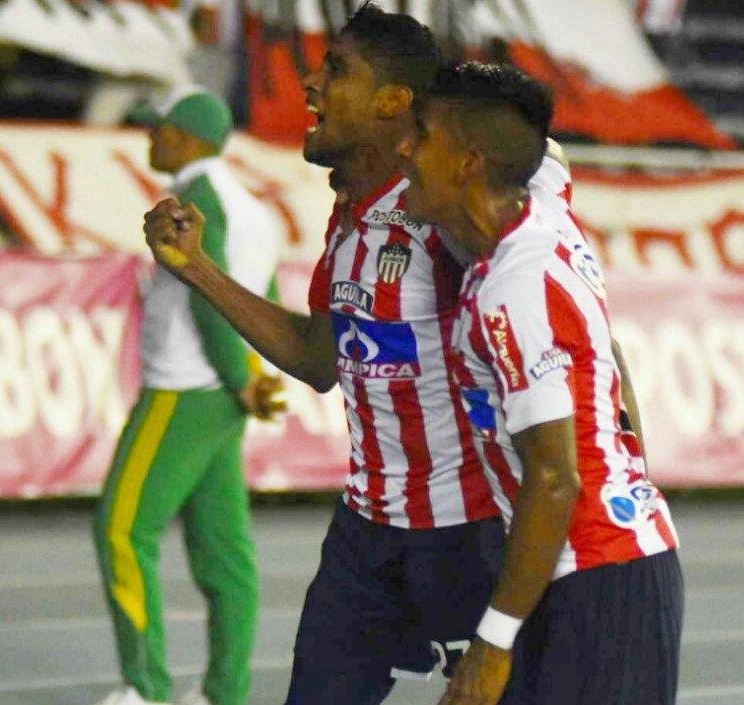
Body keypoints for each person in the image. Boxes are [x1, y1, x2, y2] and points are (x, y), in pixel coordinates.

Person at [144, 5, 521, 703]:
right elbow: (322, 357)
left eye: (336, 70)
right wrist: (196, 268)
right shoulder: (349, 215)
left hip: (465, 535)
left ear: (393, 102)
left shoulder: (450, 215)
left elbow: (561, 337)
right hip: (366, 538)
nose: (311, 85)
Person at [398, 62, 683, 705]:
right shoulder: (540, 205)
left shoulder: (513, 293)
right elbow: (543, 152)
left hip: (593, 578)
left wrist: (492, 645)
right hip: (591, 564)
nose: (405, 151)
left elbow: (554, 478)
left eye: (422, 137)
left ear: (471, 163)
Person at [93, 86, 285, 705]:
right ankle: (225, 694)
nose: (150, 137)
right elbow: (266, 293)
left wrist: (238, 377)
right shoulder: (253, 205)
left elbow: (210, 294)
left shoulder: (197, 201)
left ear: (186, 136)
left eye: (158, 128)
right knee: (225, 555)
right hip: (224, 394)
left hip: (186, 387)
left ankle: (145, 690)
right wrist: (258, 375)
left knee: (121, 530)